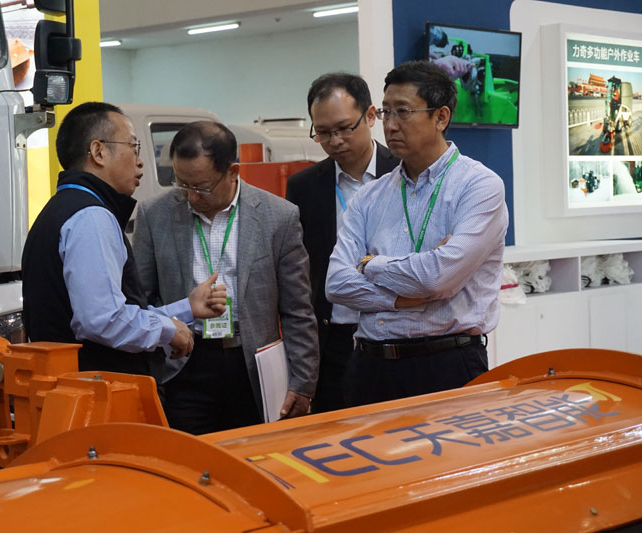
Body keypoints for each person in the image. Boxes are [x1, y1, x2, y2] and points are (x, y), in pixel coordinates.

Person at [326, 60, 509, 406]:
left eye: (403, 112)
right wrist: (399, 298)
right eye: (386, 112)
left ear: (441, 117)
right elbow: (336, 283)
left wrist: (370, 264)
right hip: (369, 366)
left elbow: (437, 278)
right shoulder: (370, 195)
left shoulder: (479, 186)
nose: (390, 125)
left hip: (445, 364)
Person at [133, 121, 319, 434]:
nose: (191, 197)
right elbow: (141, 298)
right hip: (184, 363)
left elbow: (297, 309)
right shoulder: (155, 214)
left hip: (253, 366)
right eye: (182, 183)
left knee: (254, 455)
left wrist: (303, 381)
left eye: (202, 187)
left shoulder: (278, 216)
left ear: (233, 172)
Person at [22, 102, 227, 381]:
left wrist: (186, 309)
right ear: (99, 152)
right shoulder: (91, 217)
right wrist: (167, 330)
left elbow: (115, 310)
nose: (140, 161)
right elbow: (102, 321)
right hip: (97, 389)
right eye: (133, 146)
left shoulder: (62, 209)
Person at [286, 73, 399, 413]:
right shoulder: (304, 187)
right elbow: (302, 273)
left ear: (370, 116)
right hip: (333, 338)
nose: (334, 141)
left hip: (395, 332)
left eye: (344, 128)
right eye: (323, 132)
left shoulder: (404, 173)